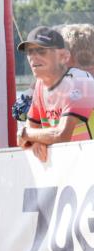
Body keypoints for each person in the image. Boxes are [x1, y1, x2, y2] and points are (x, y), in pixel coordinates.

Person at [16, 26, 94, 162]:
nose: (34, 57)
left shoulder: (82, 81)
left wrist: (28, 134)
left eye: (42, 51)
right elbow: (18, 113)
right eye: (30, 52)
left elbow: (61, 135)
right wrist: (36, 140)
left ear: (66, 57)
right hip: (69, 167)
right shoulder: (42, 83)